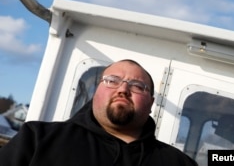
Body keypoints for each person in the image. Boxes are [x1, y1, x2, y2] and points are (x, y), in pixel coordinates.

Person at [0, 59, 198, 166]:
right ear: (96, 92)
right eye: (112, 81)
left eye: (137, 86)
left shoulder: (179, 164)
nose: (123, 89)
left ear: (151, 102)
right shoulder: (37, 139)